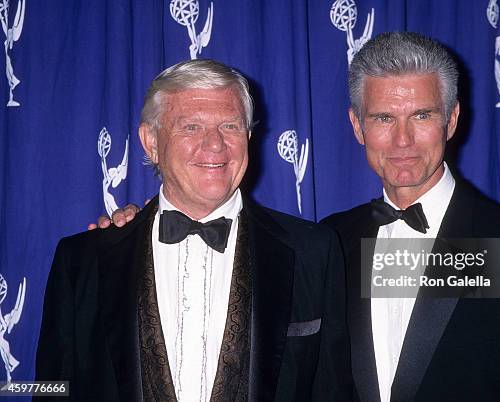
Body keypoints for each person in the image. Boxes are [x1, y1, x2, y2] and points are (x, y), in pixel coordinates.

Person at [98, 34, 500, 401]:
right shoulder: (324, 243)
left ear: (452, 119)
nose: (402, 140)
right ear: (357, 126)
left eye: (421, 116)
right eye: (383, 118)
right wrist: (134, 234)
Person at [36, 60, 351, 401]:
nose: (215, 145)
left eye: (230, 126)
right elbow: (53, 391)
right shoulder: (82, 261)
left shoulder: (313, 251)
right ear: (151, 142)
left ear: (248, 136)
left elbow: (332, 389)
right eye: (191, 127)